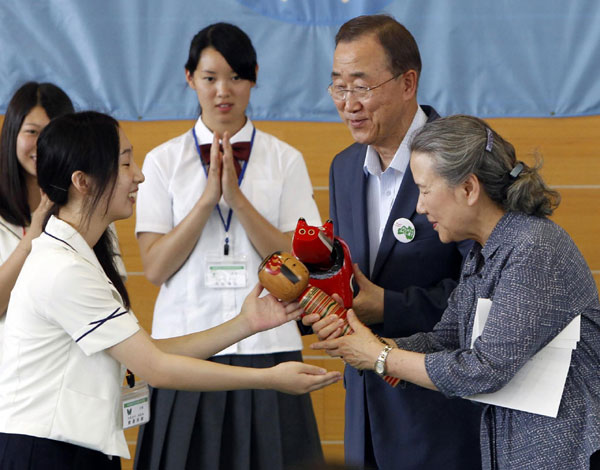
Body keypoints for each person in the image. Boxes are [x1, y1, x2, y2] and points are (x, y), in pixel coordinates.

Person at [0, 111, 341, 470]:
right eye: (126, 163)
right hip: (44, 450)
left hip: (70, 446)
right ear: (82, 182)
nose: (139, 175)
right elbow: (157, 368)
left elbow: (147, 351)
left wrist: (245, 324)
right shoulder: (63, 268)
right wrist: (269, 378)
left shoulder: (80, 257)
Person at [312, 114, 600, 469]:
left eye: (425, 189)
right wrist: (365, 343)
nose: (419, 206)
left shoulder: (533, 248)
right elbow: (447, 338)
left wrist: (379, 357)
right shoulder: (483, 250)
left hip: (562, 453)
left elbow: (484, 369)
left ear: (468, 189)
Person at [134, 23, 325, 470]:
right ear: (189, 79)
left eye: (236, 77)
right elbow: (155, 268)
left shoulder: (285, 159)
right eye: (209, 77)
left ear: (254, 76)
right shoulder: (163, 160)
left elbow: (300, 264)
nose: (224, 90)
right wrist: (206, 202)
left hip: (269, 347)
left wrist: (238, 201)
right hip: (185, 344)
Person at [302, 14, 482, 469]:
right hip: (364, 409)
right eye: (338, 87)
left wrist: (389, 306)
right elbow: (349, 276)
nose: (348, 103)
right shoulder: (344, 168)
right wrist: (320, 303)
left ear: (407, 82)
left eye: (361, 86)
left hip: (440, 413)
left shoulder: (466, 157)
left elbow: (488, 293)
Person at [0, 82, 74, 363]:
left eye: (54, 133)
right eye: (32, 132)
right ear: (12, 134)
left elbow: (112, 295)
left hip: (68, 371)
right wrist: (33, 237)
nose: (42, 145)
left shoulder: (89, 205)